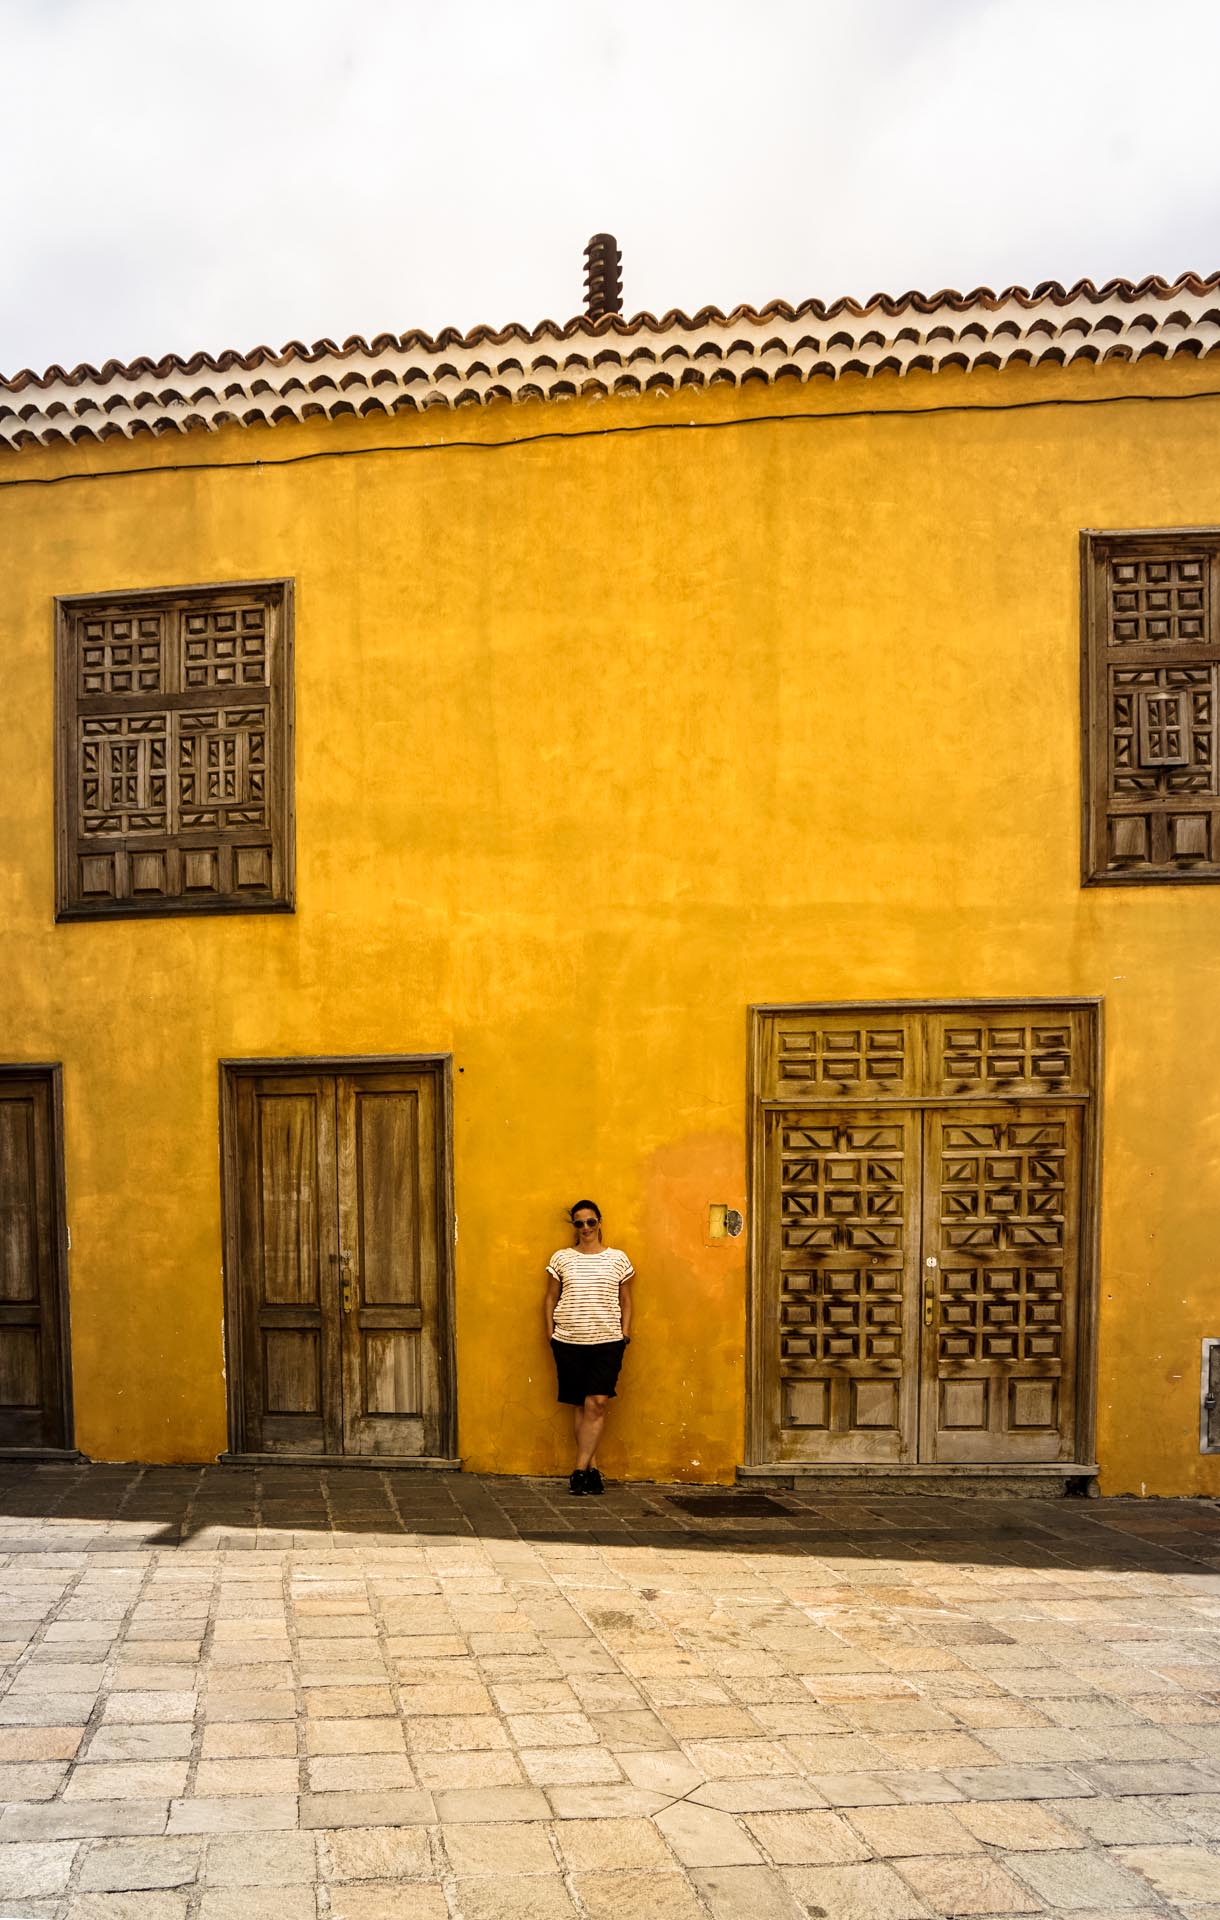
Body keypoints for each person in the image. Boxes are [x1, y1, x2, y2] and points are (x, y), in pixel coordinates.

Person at [544, 1200, 634, 1495]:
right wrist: (550, 1333)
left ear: (599, 1222)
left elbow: (626, 1299)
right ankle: (592, 1471)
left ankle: (578, 1471)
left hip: (607, 1341)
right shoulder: (562, 1258)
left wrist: (624, 1333)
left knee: (597, 1403)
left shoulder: (618, 1259)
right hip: (569, 1340)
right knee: (581, 1406)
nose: (585, 1228)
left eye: (590, 1222)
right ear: (574, 1226)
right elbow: (550, 1297)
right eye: (579, 1223)